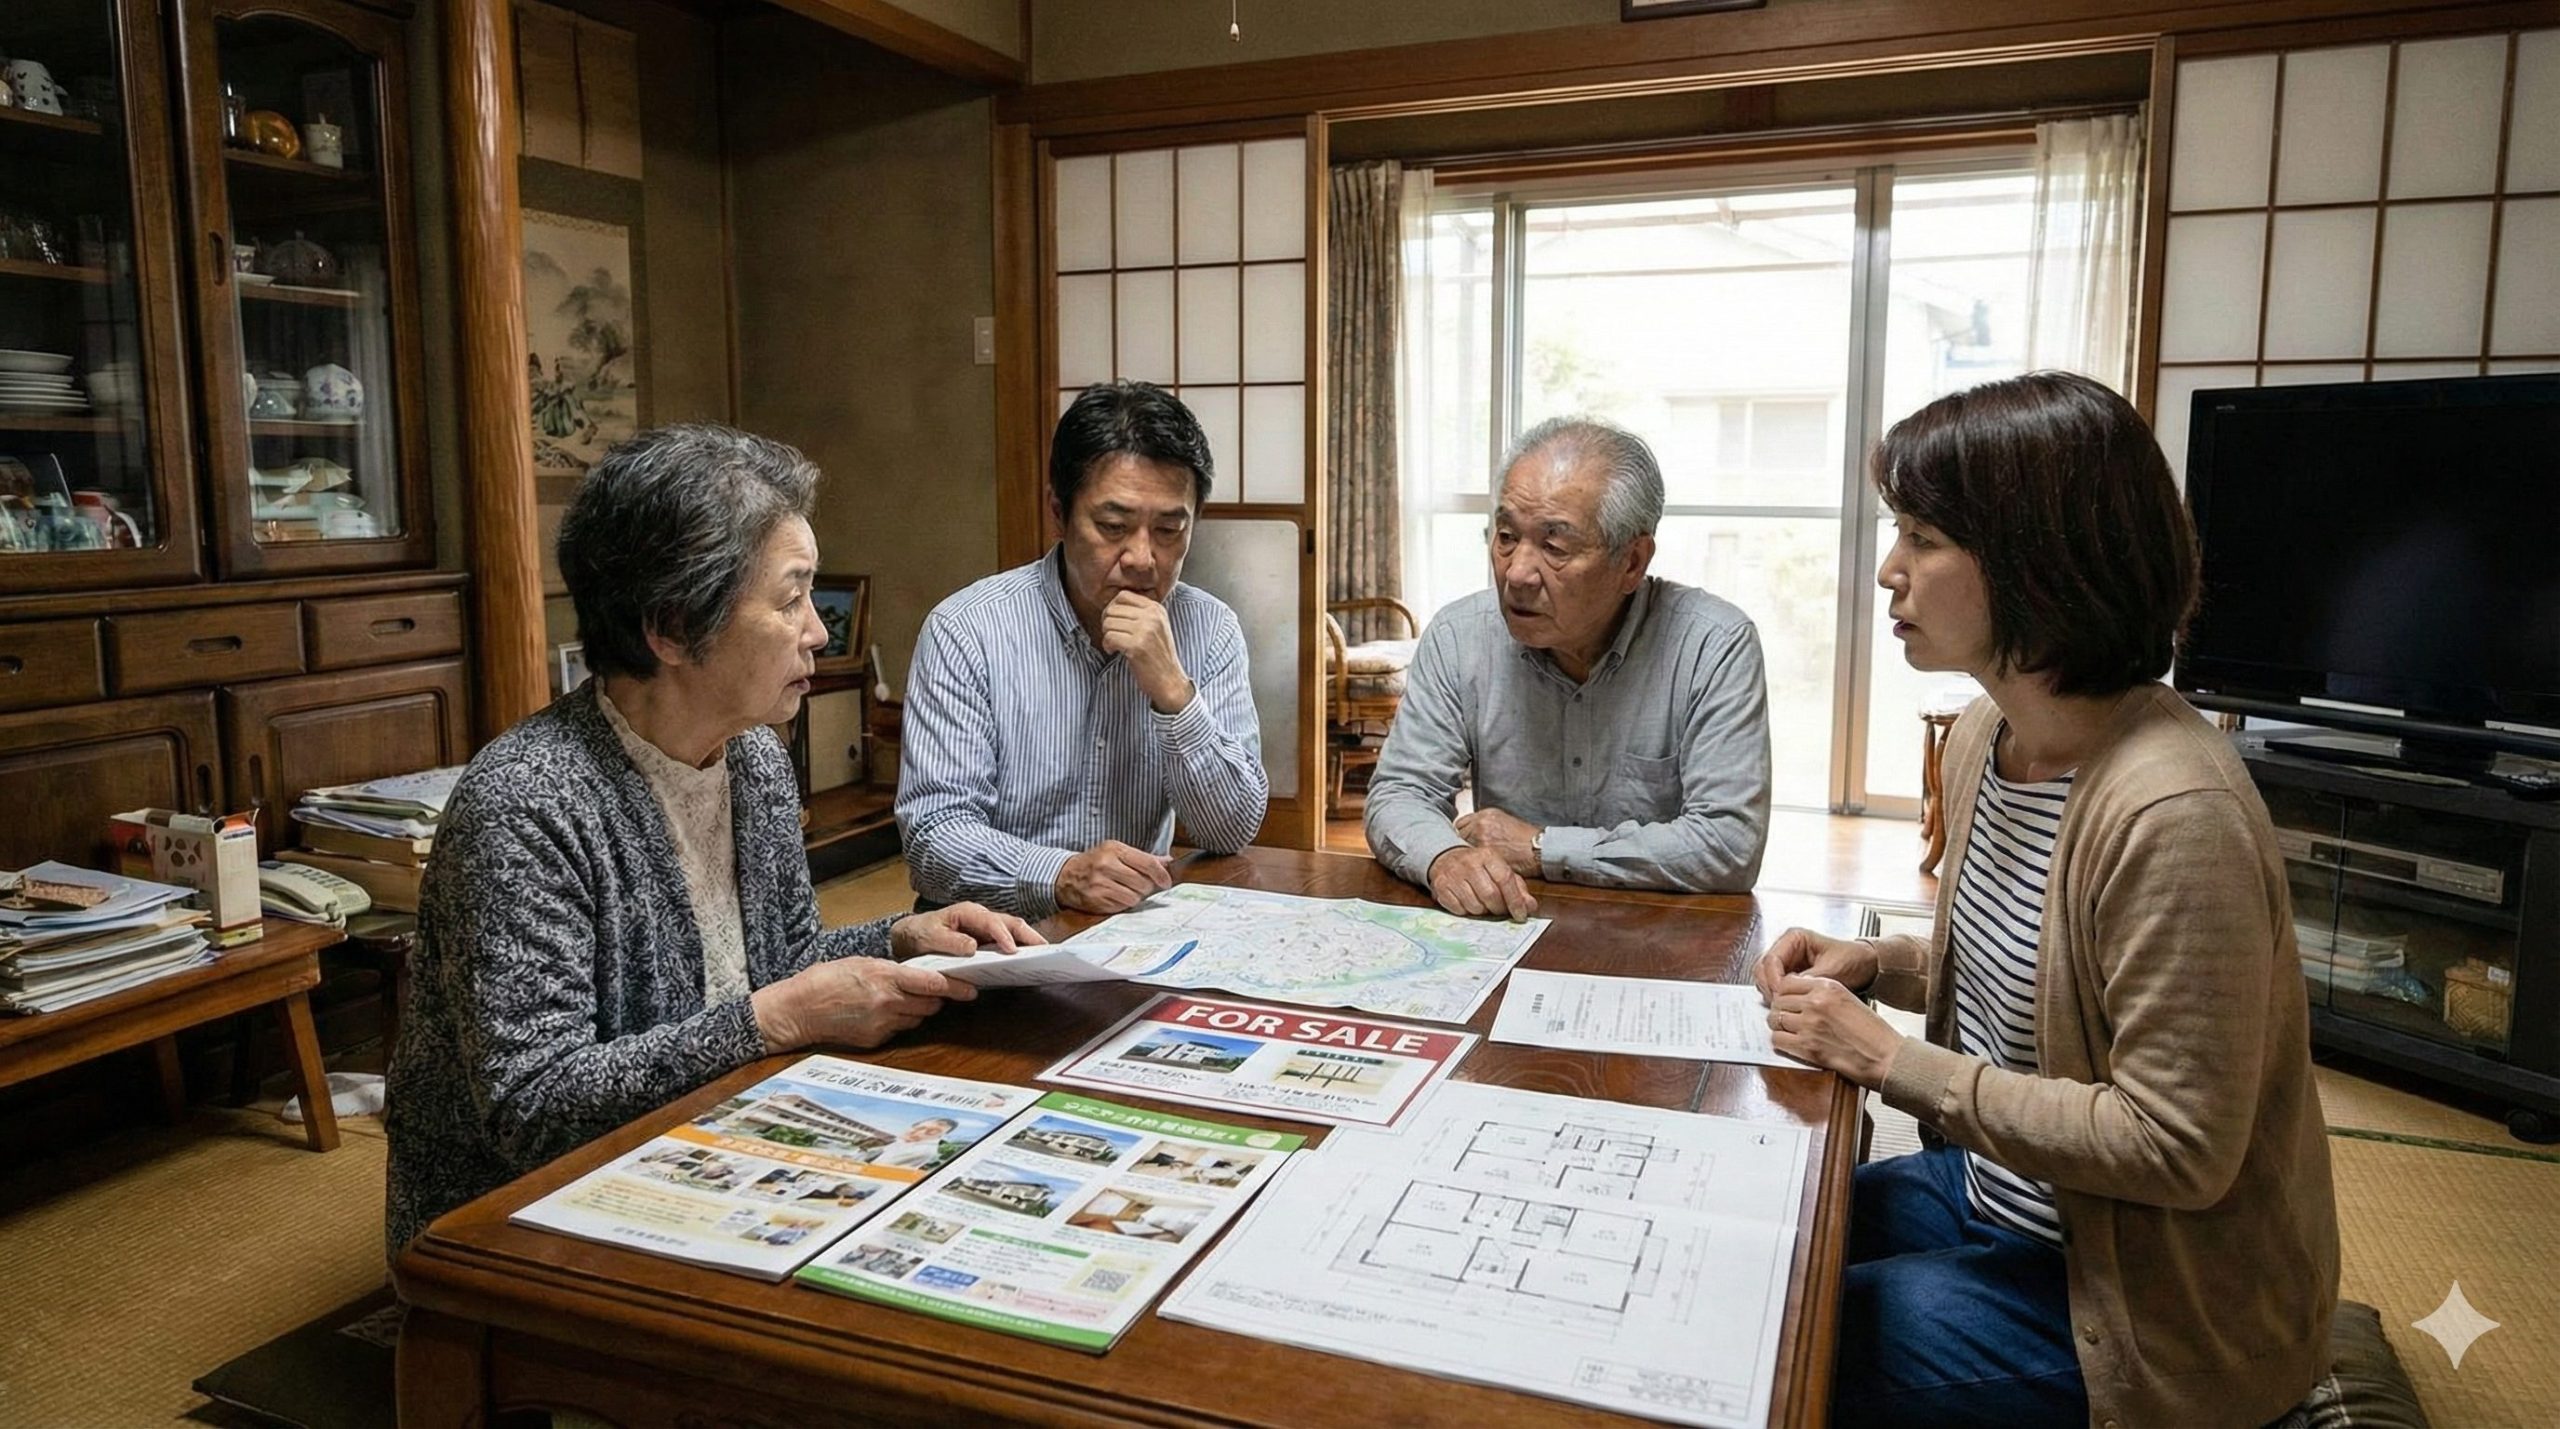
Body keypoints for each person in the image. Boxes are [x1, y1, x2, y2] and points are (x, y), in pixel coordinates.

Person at [1753, 372, 2337, 1427]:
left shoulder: (2172, 810)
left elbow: (2176, 1144)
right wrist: (1876, 965)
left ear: (2036, 557)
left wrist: (1889, 1059)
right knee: (1758, 1229)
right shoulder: (1988, 736)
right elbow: (2052, 973)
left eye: (1923, 538)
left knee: (1782, 1344)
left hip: (2147, 1304)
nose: (1889, 572)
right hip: (2005, 1198)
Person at [385, 425, 1040, 1258]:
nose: (819, 633)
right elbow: (533, 1106)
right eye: (792, 597)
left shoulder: (753, 755)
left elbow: (775, 959)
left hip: (709, 1143)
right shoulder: (525, 802)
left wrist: (900, 937)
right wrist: (775, 1021)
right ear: (671, 627)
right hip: (524, 1214)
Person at [1364, 416, 1771, 918]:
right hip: (1511, 927)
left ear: (1632, 562)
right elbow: (1401, 793)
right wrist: (1444, 857)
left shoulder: (1712, 644)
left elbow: (1728, 845)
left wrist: (1541, 847)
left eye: (1555, 547)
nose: (1516, 573)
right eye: (1507, 536)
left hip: (1660, 937)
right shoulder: (1458, 637)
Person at [898, 381, 1267, 917]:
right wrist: (1061, 875)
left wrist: (1174, 693)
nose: (1142, 558)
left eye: (1169, 530)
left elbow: (1230, 830)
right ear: (1058, 511)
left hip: (1129, 937)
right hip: (987, 939)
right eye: (1113, 526)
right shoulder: (967, 629)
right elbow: (934, 839)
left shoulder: (1209, 629)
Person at [867, 1116, 960, 1171]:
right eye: (918, 1127)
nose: (916, 1132)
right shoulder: (902, 1142)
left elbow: (876, 1167)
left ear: (939, 1137)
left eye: (931, 1132)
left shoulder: (922, 1150)